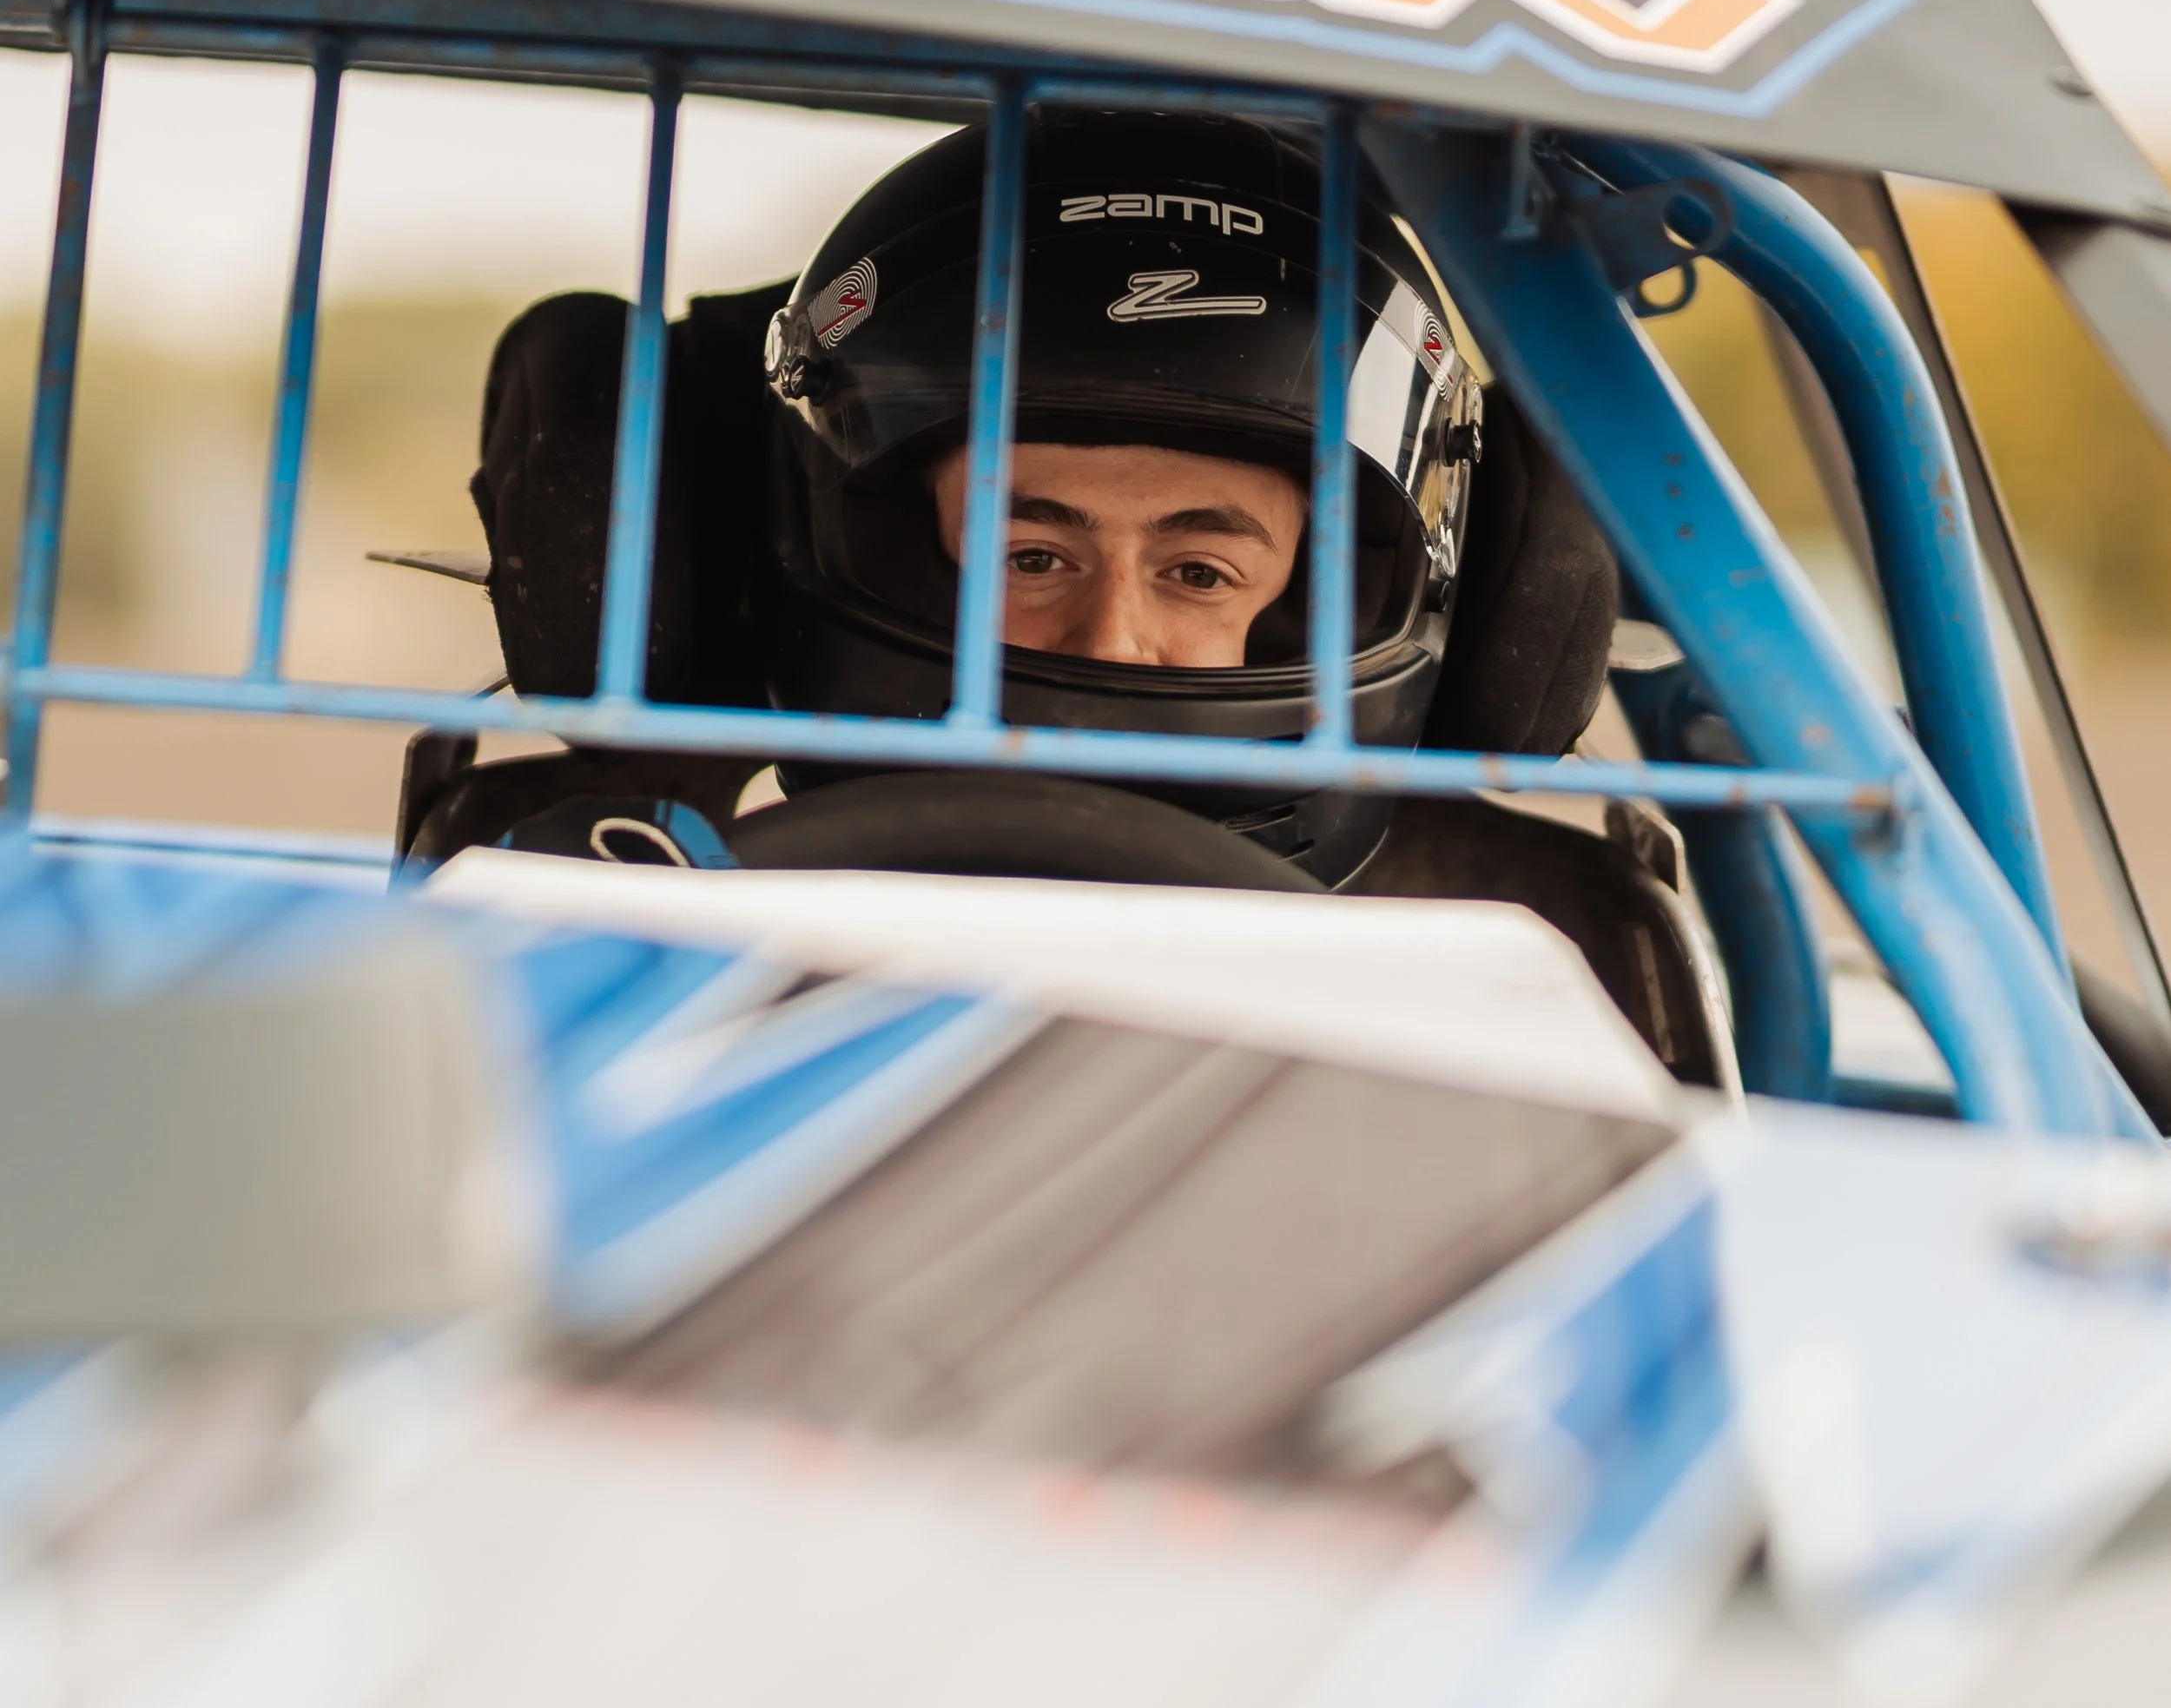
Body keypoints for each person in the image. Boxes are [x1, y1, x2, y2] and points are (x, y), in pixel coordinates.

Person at [419, 109, 1717, 1070]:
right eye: (1030, 555)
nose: (1113, 637)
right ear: (896, 547)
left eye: (1200, 571)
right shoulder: (575, 923)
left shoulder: (1543, 986)